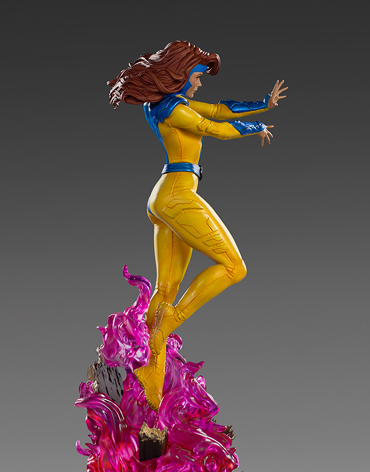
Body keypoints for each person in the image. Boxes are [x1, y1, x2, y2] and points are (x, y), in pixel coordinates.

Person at [108, 41, 287, 411]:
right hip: (176, 195)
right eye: (197, 76)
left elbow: (219, 109)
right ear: (180, 75)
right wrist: (254, 126)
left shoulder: (169, 104)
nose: (200, 83)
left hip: (165, 196)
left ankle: (152, 389)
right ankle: (168, 323)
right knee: (234, 267)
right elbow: (212, 127)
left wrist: (263, 103)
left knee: (165, 289)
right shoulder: (172, 109)